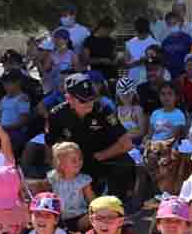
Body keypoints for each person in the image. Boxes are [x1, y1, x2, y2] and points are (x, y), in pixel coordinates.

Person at [46, 74, 136, 205]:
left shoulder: (103, 110)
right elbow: (50, 146)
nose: (89, 103)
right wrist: (59, 168)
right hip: (75, 162)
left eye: (91, 98)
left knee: (125, 163)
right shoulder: (56, 114)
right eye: (83, 100)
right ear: (69, 99)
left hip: (102, 157)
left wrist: (99, 156)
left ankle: (118, 204)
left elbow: (126, 144)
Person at [80, 17, 120, 83]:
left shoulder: (111, 41)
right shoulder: (89, 40)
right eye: (109, 31)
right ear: (102, 28)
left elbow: (114, 56)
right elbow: (85, 60)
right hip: (97, 76)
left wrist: (117, 59)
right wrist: (101, 60)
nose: (109, 33)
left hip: (112, 75)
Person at [158, 11, 192, 79]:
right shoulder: (165, 41)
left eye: (174, 23)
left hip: (184, 75)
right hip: (169, 76)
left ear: (179, 23)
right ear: (166, 25)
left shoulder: (187, 39)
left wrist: (188, 72)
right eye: (169, 24)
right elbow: (163, 59)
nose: (172, 26)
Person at [125, 17, 157, 86]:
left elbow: (158, 63)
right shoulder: (129, 43)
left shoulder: (155, 43)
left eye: (143, 33)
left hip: (148, 80)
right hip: (132, 78)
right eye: (139, 32)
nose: (140, 35)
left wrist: (148, 60)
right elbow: (126, 64)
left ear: (147, 31)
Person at [115, 78, 147, 144]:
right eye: (122, 93)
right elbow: (115, 128)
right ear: (118, 94)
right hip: (123, 143)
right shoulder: (117, 109)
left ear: (134, 93)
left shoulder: (138, 110)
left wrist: (125, 136)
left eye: (129, 93)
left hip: (137, 143)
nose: (125, 95)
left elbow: (142, 132)